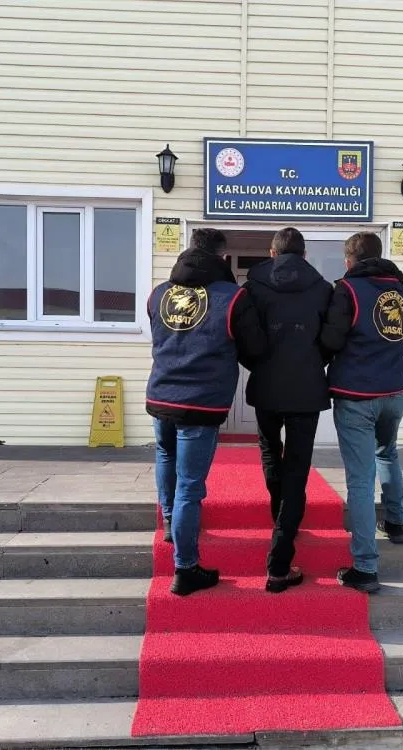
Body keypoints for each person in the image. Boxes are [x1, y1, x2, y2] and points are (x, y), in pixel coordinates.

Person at [146, 228, 265, 596]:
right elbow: (254, 349)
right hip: (200, 401)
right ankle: (185, 569)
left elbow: (160, 337)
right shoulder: (232, 297)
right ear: (221, 257)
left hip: (161, 394)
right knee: (190, 487)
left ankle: (171, 523)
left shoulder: (159, 294)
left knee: (165, 456)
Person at [242, 227, 333, 593]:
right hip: (307, 390)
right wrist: (312, 363)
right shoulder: (323, 288)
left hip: (266, 386)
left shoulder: (253, 286)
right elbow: (331, 339)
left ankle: (280, 522)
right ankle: (280, 558)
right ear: (304, 255)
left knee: (270, 452)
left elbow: (244, 337)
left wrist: (261, 364)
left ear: (272, 252)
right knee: (296, 469)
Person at [320, 231, 403, 594]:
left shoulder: (347, 289)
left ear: (349, 260)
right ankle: (397, 522)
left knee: (360, 480)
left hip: (357, 395)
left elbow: (331, 340)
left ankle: (365, 567)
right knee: (387, 453)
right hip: (395, 392)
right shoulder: (398, 290)